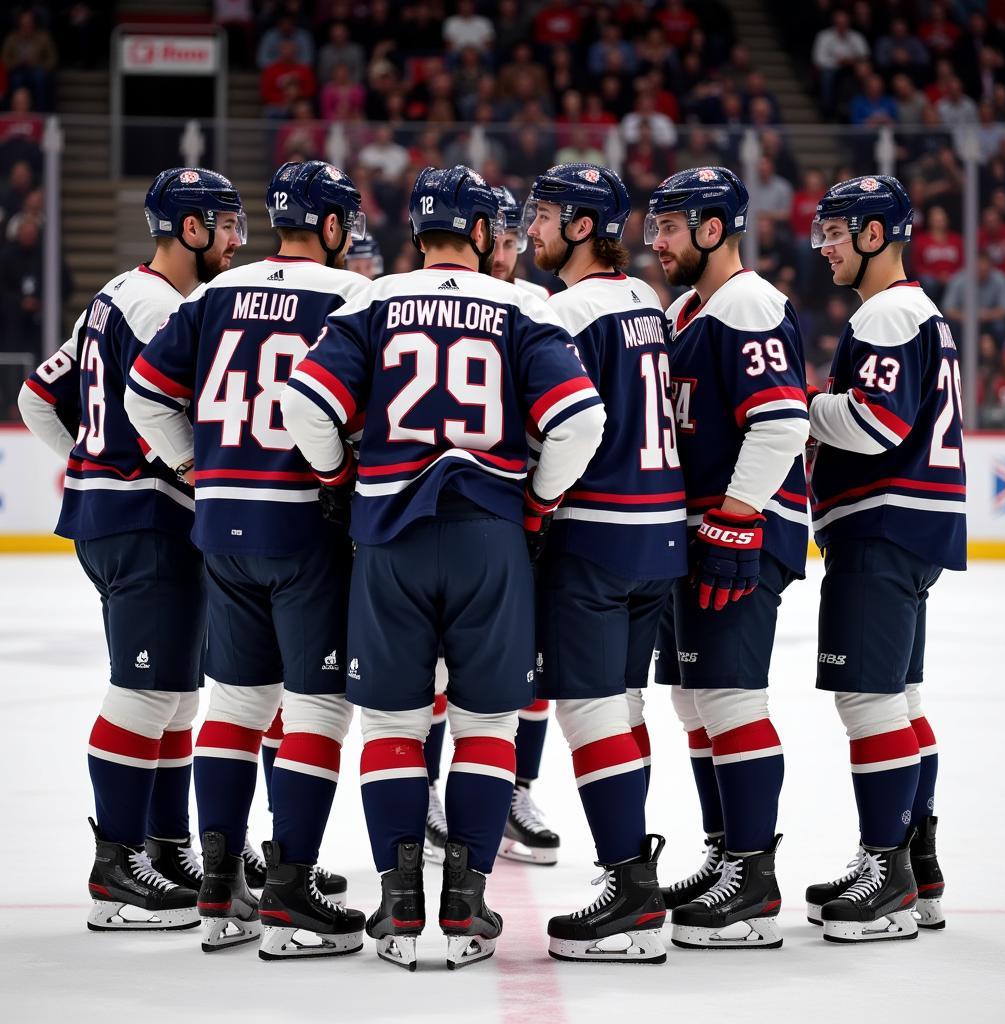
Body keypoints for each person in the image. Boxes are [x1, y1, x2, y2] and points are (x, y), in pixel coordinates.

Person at [281, 165, 605, 971]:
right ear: (485, 234)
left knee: (393, 725)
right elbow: (579, 418)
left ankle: (398, 905)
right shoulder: (521, 304)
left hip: (387, 534)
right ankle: (465, 908)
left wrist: (335, 481)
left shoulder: (370, 298)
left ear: (417, 232)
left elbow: (307, 405)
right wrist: (535, 500)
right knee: (488, 726)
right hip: (489, 535)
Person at [124, 160, 368, 960]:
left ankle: (221, 889)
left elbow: (144, 395)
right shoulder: (349, 296)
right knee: (317, 706)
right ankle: (291, 890)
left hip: (223, 526)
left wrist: (196, 467)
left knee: (234, 701)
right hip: (306, 526)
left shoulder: (209, 296)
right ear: (331, 226)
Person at [17, 167, 244, 933]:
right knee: (146, 692)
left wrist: (90, 460)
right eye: (224, 224)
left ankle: (164, 844)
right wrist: (145, 466)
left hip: (125, 516)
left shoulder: (119, 292)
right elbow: (175, 403)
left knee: (176, 693)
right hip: (145, 519)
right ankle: (115, 871)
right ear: (189, 229)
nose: (235, 240)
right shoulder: (161, 307)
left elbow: (36, 398)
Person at [524, 162, 684, 964]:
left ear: (584, 224)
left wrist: (533, 503)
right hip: (657, 532)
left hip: (594, 533)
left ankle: (630, 891)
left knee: (588, 713)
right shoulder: (644, 301)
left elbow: (561, 427)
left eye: (546, 214)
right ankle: (633, 874)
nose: (533, 229)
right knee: (621, 708)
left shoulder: (567, 311)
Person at [646, 167, 809, 950]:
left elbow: (780, 422)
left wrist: (738, 521)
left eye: (671, 226)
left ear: (714, 228)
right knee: (696, 701)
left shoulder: (749, 302)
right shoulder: (687, 308)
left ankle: (752, 876)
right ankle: (725, 856)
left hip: (740, 532)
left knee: (731, 696)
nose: (657, 241)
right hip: (704, 529)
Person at [805, 174, 966, 942]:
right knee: (899, 700)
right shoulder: (918, 310)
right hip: (911, 528)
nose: (825, 244)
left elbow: (874, 422)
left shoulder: (889, 311)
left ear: (876, 235)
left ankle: (887, 870)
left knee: (868, 703)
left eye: (838, 231)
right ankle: (916, 862)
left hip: (882, 524)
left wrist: (802, 406)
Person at [420, 184, 560, 866]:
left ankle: (513, 789)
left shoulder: (534, 308)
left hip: (519, 516)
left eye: (513, 241)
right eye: (498, 239)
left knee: (525, 669)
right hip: (459, 517)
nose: (506, 251)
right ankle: (424, 791)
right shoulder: (426, 300)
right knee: (435, 670)